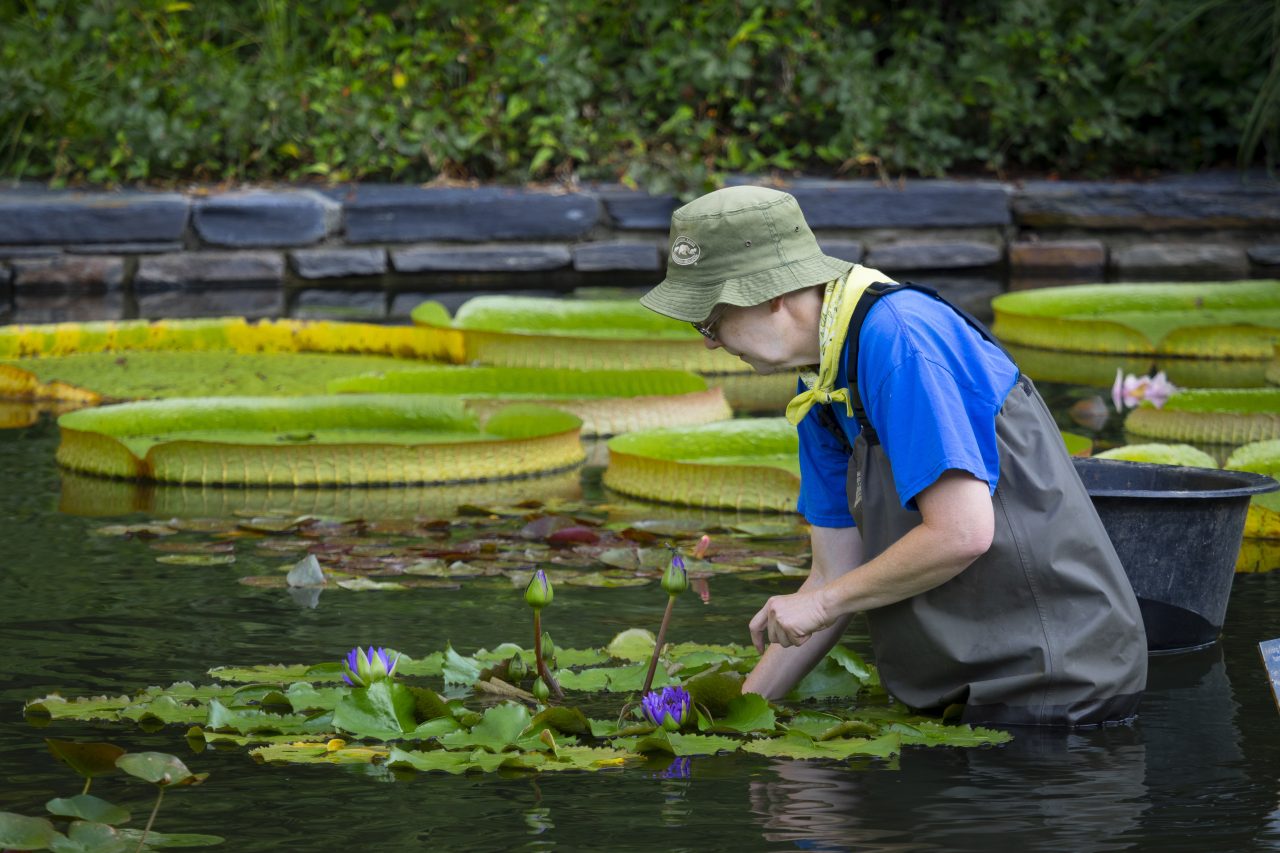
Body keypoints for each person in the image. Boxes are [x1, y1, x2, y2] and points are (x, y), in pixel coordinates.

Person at [639, 185, 1147, 727]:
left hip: (1058, 688)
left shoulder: (901, 337)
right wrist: (736, 715)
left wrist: (823, 603)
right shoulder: (820, 393)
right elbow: (835, 574)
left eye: (708, 322)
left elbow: (962, 533)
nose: (710, 344)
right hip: (960, 694)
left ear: (771, 294)